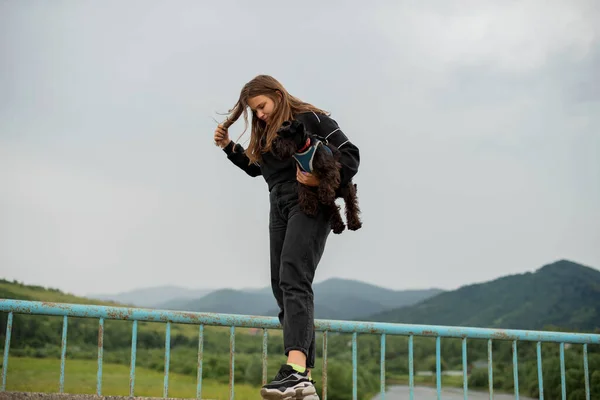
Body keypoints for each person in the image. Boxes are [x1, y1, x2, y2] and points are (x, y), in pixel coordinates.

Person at [213, 75, 360, 400]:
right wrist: (228, 148)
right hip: (277, 203)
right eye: (254, 111)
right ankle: (303, 377)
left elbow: (351, 155)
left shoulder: (311, 118)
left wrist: (318, 176)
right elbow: (258, 169)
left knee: (294, 276)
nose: (260, 115)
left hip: (307, 201)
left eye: (262, 106)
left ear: (278, 95)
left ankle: (294, 370)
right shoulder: (267, 133)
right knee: (280, 283)